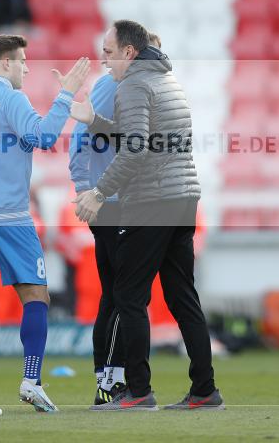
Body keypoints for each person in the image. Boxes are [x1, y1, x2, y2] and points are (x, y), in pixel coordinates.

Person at [72, 20, 222, 411]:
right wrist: (94, 121)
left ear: (129, 52)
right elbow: (138, 135)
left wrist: (99, 192)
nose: (105, 61)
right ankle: (205, 389)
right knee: (183, 297)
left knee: (128, 295)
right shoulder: (167, 80)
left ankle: (138, 391)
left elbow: (135, 149)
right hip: (184, 199)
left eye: (109, 52)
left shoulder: (135, 84)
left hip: (152, 201)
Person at [0, 34, 90, 413]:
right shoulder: (10, 98)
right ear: (5, 63)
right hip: (11, 219)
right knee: (36, 296)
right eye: (22, 61)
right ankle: (31, 380)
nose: (26, 68)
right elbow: (45, 136)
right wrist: (66, 95)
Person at [69, 31, 161, 406]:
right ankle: (110, 380)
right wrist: (84, 188)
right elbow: (82, 133)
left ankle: (109, 381)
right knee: (124, 296)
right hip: (112, 202)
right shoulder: (112, 85)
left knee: (118, 296)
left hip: (124, 200)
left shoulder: (137, 87)